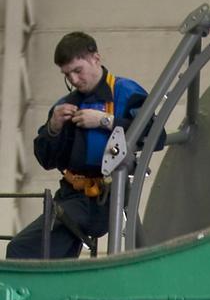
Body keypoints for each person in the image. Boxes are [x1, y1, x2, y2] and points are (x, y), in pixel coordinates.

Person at [7, 32, 149, 260]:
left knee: (22, 248)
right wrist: (53, 127)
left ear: (96, 58)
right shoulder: (64, 106)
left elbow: (155, 134)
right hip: (69, 195)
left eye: (77, 70)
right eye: (66, 74)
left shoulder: (126, 92)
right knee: (47, 255)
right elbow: (46, 160)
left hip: (103, 199)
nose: (73, 80)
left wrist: (105, 121)